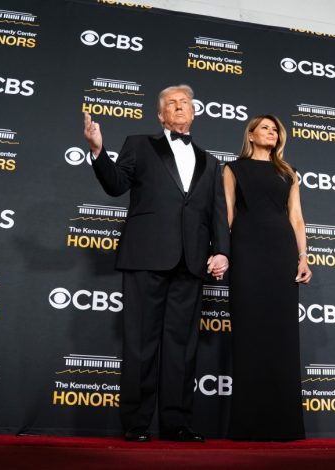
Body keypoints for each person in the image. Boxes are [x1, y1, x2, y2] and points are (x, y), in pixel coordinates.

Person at [82, 84, 230, 442]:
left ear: (194, 112)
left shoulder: (210, 161)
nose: (179, 107)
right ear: (160, 115)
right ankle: (136, 424)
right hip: (146, 256)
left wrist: (221, 250)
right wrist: (98, 150)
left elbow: (217, 212)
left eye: (185, 103)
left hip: (191, 262)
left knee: (182, 346)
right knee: (141, 342)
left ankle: (177, 423)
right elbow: (117, 185)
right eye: (171, 104)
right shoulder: (139, 144)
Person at [223, 115, 312, 440]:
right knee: (249, 332)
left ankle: (285, 425)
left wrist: (303, 257)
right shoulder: (233, 169)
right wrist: (223, 251)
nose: (272, 133)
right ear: (251, 134)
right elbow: (228, 214)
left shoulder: (288, 172)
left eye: (275, 129)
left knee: (281, 336)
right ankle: (248, 425)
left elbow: (297, 218)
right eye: (265, 128)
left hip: (281, 253)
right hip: (246, 251)